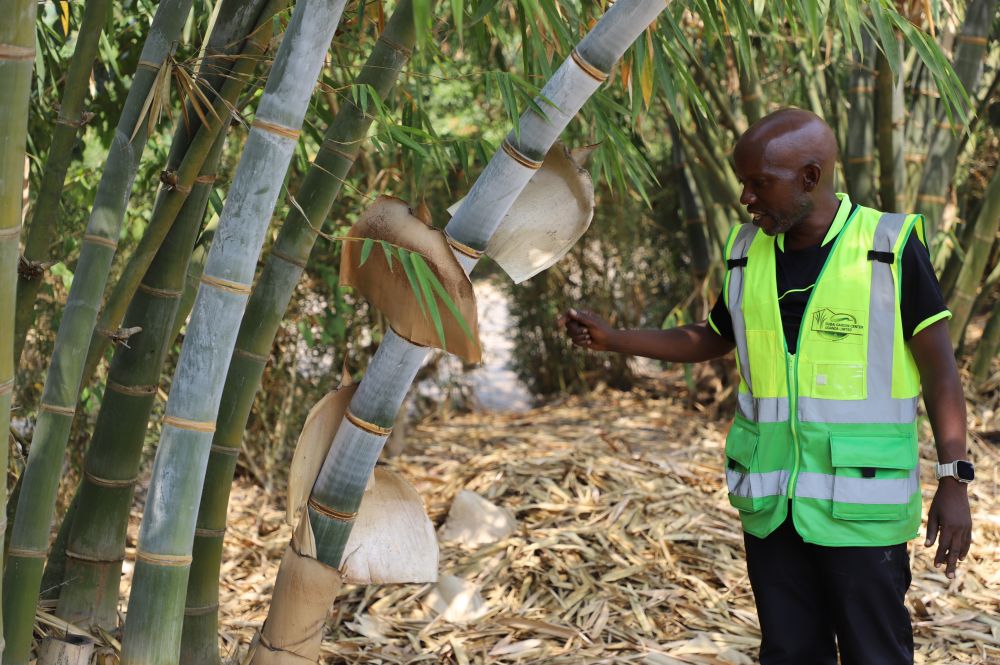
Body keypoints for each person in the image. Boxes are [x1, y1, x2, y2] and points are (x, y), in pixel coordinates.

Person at [559, 108, 973, 665]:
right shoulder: (745, 251)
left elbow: (940, 370)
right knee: (788, 652)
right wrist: (615, 339)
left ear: (809, 176)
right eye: (742, 184)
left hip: (860, 508)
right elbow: (708, 338)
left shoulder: (889, 247)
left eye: (759, 183)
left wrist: (954, 479)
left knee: (876, 654)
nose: (746, 199)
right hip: (773, 505)